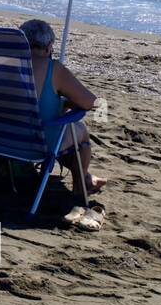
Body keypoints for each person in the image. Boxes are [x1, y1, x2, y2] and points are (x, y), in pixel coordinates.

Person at [20, 19, 108, 228]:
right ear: (50, 46)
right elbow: (89, 102)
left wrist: (56, 101)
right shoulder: (53, 69)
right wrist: (64, 100)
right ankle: (80, 188)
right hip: (37, 142)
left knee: (65, 128)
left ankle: (86, 178)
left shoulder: (7, 64)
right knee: (80, 131)